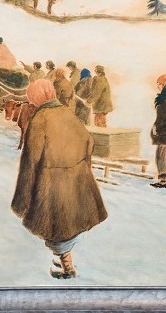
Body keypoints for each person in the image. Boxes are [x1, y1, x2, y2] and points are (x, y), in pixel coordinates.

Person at [11, 79, 108, 279]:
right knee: (69, 224)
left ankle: (67, 268)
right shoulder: (66, 112)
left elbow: (30, 160)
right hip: (75, 178)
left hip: (52, 183)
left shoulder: (40, 119)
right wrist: (81, 167)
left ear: (36, 97)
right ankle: (65, 260)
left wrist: (22, 200)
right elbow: (88, 142)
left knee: (58, 227)